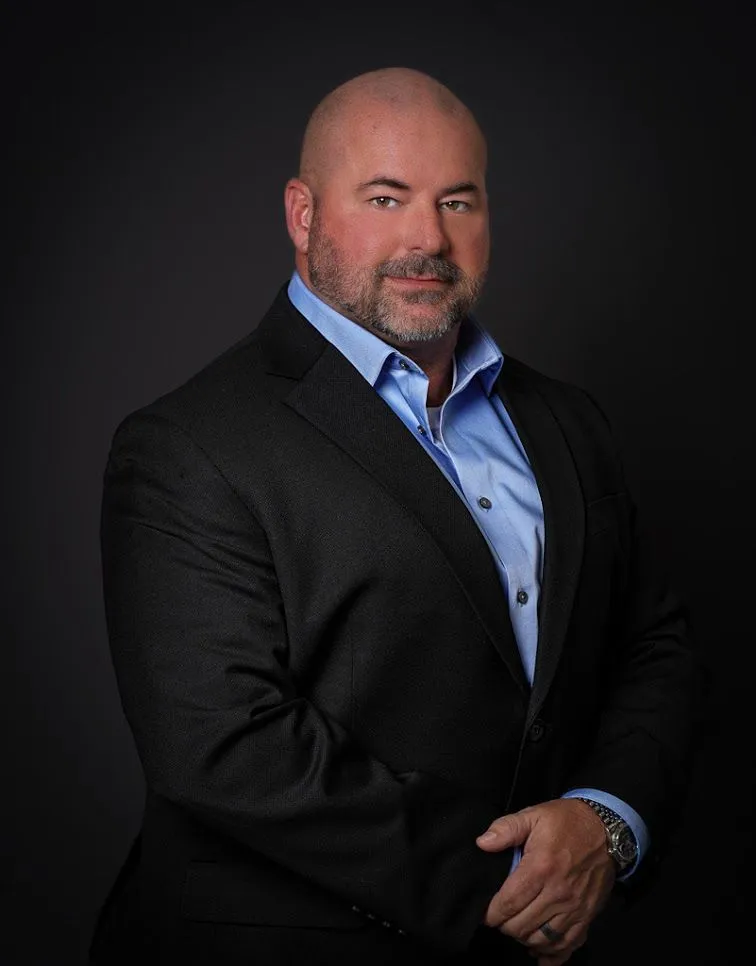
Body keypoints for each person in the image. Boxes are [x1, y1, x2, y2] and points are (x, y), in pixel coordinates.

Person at [89, 67, 702, 966]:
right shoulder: (185, 443)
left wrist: (606, 823)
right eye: (385, 197)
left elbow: (654, 644)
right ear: (302, 215)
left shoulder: (570, 421)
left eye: (458, 200)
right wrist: (524, 891)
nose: (427, 237)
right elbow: (226, 746)